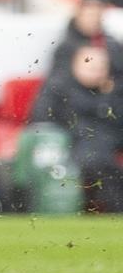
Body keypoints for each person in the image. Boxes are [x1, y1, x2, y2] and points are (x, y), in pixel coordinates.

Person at [30, 45, 123, 211]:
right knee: (94, 158)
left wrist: (107, 97)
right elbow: (42, 117)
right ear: (75, 65)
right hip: (73, 142)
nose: (97, 72)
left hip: (110, 141)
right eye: (91, 66)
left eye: (101, 67)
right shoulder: (59, 88)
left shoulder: (115, 90)